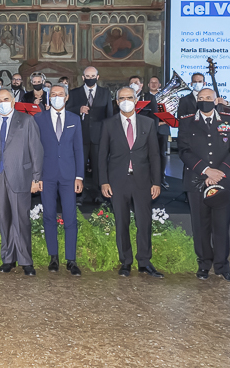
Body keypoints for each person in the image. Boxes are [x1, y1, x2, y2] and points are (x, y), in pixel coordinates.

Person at [177, 88, 230, 282]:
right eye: (200, 98)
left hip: (223, 180)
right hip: (197, 181)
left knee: (221, 226)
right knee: (200, 226)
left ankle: (222, 267)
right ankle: (204, 264)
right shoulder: (187, 122)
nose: (204, 100)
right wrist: (206, 171)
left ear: (216, 101)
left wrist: (219, 172)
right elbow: (184, 151)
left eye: (208, 98)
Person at [0, 89, 43, 276]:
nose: (2, 102)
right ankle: (8, 258)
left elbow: (36, 150)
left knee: (21, 220)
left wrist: (36, 177)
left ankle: (26, 260)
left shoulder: (27, 120)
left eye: (6, 99)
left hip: (21, 175)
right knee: (3, 219)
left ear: (13, 101)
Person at [99, 87, 163, 279]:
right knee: (122, 222)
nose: (126, 100)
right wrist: (103, 181)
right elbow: (101, 156)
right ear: (117, 102)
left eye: (129, 97)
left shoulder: (148, 123)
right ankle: (125, 262)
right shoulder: (108, 124)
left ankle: (144, 261)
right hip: (118, 182)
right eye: (122, 98)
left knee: (144, 222)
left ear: (136, 100)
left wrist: (156, 182)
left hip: (142, 181)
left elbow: (154, 155)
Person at [34, 84, 84, 275]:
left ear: (67, 97)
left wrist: (79, 176)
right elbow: (35, 150)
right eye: (53, 94)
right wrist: (36, 176)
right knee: (49, 216)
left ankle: (71, 260)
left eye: (60, 94)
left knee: (70, 217)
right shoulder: (38, 119)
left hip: (69, 176)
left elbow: (79, 149)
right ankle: (53, 257)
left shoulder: (74, 119)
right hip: (46, 175)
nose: (56, 97)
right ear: (48, 97)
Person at [66, 66, 113, 205]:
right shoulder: (74, 93)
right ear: (83, 77)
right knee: (79, 166)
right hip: (80, 135)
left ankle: (99, 194)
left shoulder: (105, 93)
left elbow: (109, 115)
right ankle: (80, 195)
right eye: (88, 76)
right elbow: (67, 111)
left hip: (99, 136)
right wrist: (78, 110)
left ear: (98, 77)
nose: (90, 78)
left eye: (93, 76)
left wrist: (108, 135)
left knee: (99, 165)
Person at [148, 75, 170, 187]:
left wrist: (161, 123)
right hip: (148, 130)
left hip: (162, 129)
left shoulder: (166, 97)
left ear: (159, 85)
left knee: (162, 154)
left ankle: (161, 178)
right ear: (148, 85)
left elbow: (171, 113)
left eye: (156, 82)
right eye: (151, 82)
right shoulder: (144, 97)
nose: (153, 84)